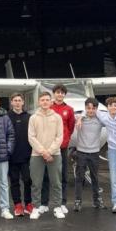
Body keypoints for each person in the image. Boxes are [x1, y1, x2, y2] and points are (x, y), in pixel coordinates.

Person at [28, 92, 65, 220]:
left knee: (56, 182)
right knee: (36, 183)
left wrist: (50, 151)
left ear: (51, 102)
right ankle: (36, 207)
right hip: (36, 155)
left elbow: (59, 136)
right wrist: (43, 151)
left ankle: (57, 207)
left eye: (47, 100)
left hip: (54, 154)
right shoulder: (33, 118)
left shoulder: (57, 117)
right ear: (39, 102)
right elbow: (31, 137)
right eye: (42, 100)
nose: (45, 102)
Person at [40, 84, 75, 215]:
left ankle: (62, 202)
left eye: (62, 92)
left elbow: (70, 127)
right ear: (54, 94)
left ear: (65, 94)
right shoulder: (48, 107)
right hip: (48, 148)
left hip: (62, 147)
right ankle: (44, 203)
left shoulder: (69, 109)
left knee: (63, 175)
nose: (59, 94)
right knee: (45, 175)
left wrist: (64, 139)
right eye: (57, 92)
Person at [72, 98, 106, 212]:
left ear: (96, 109)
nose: (91, 110)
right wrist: (81, 116)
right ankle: (78, 201)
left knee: (95, 177)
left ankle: (97, 201)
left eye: (93, 108)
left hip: (95, 153)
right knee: (79, 178)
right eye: (88, 108)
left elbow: (110, 119)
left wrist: (98, 113)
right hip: (81, 152)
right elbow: (70, 116)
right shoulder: (79, 118)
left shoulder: (100, 120)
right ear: (85, 108)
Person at [8, 93, 34, 216]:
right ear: (12, 102)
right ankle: (18, 205)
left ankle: (28, 204)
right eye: (15, 100)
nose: (17, 102)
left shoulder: (29, 117)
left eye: (19, 100)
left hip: (27, 155)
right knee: (14, 181)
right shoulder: (7, 117)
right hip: (12, 156)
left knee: (28, 180)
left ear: (23, 102)